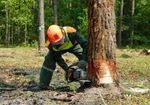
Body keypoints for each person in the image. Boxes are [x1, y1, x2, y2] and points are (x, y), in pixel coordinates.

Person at [30, 24, 88, 91]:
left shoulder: (70, 32)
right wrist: (67, 70)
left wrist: (83, 59)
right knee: (49, 59)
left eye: (60, 41)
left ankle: (88, 80)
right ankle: (43, 85)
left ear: (62, 33)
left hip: (74, 45)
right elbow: (57, 58)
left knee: (87, 57)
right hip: (59, 50)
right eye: (57, 43)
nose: (60, 44)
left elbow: (85, 44)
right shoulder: (50, 45)